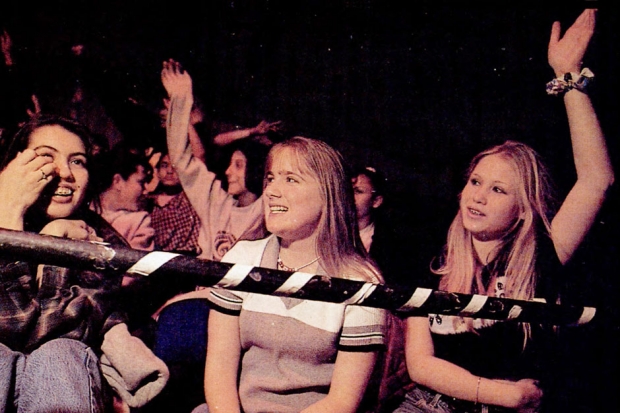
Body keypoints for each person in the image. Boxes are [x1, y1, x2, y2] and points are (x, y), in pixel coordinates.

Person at [395, 9, 614, 413]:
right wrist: (499, 392)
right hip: (431, 405)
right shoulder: (431, 260)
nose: (477, 196)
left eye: (498, 190)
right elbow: (421, 364)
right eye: (475, 182)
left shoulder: (541, 257)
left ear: (522, 210)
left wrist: (569, 79)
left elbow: (596, 180)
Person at [194, 136, 387, 413]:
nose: (271, 190)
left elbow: (342, 402)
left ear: (328, 194)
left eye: (290, 179)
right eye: (271, 178)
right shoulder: (241, 259)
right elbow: (219, 371)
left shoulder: (362, 281)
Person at [0, 114, 169, 412]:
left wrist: (53, 246)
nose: (65, 172)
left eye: (77, 161)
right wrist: (9, 218)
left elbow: (42, 333)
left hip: (61, 378)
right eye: (45, 157)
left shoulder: (100, 240)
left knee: (62, 354)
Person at [161, 59, 269, 262]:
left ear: (256, 170)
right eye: (230, 164)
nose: (228, 171)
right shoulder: (217, 202)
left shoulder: (267, 210)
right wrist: (180, 100)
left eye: (238, 165)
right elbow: (182, 160)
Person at [90, 144, 156, 252]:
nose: (145, 190)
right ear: (118, 181)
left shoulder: (139, 222)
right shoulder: (82, 212)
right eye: (141, 182)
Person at [149, 149, 202, 255]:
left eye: (175, 166)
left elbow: (200, 158)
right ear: (158, 171)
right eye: (164, 165)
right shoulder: (147, 204)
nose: (169, 171)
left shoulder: (191, 200)